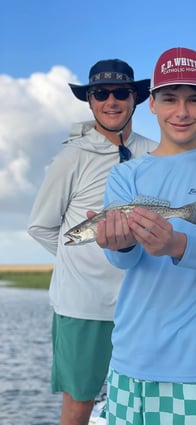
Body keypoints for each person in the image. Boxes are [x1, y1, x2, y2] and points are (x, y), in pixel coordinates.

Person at [96, 47, 196, 425]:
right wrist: (118, 242)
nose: (181, 112)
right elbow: (124, 260)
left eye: (194, 100)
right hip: (129, 359)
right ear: (151, 104)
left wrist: (175, 245)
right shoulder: (124, 176)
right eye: (169, 99)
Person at [27, 59, 158, 425]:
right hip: (83, 307)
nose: (111, 101)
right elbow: (40, 226)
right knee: (79, 403)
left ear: (137, 98)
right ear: (89, 101)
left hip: (140, 305)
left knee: (141, 403)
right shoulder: (72, 155)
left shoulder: (156, 154)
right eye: (101, 93)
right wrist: (80, 263)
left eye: (121, 93)